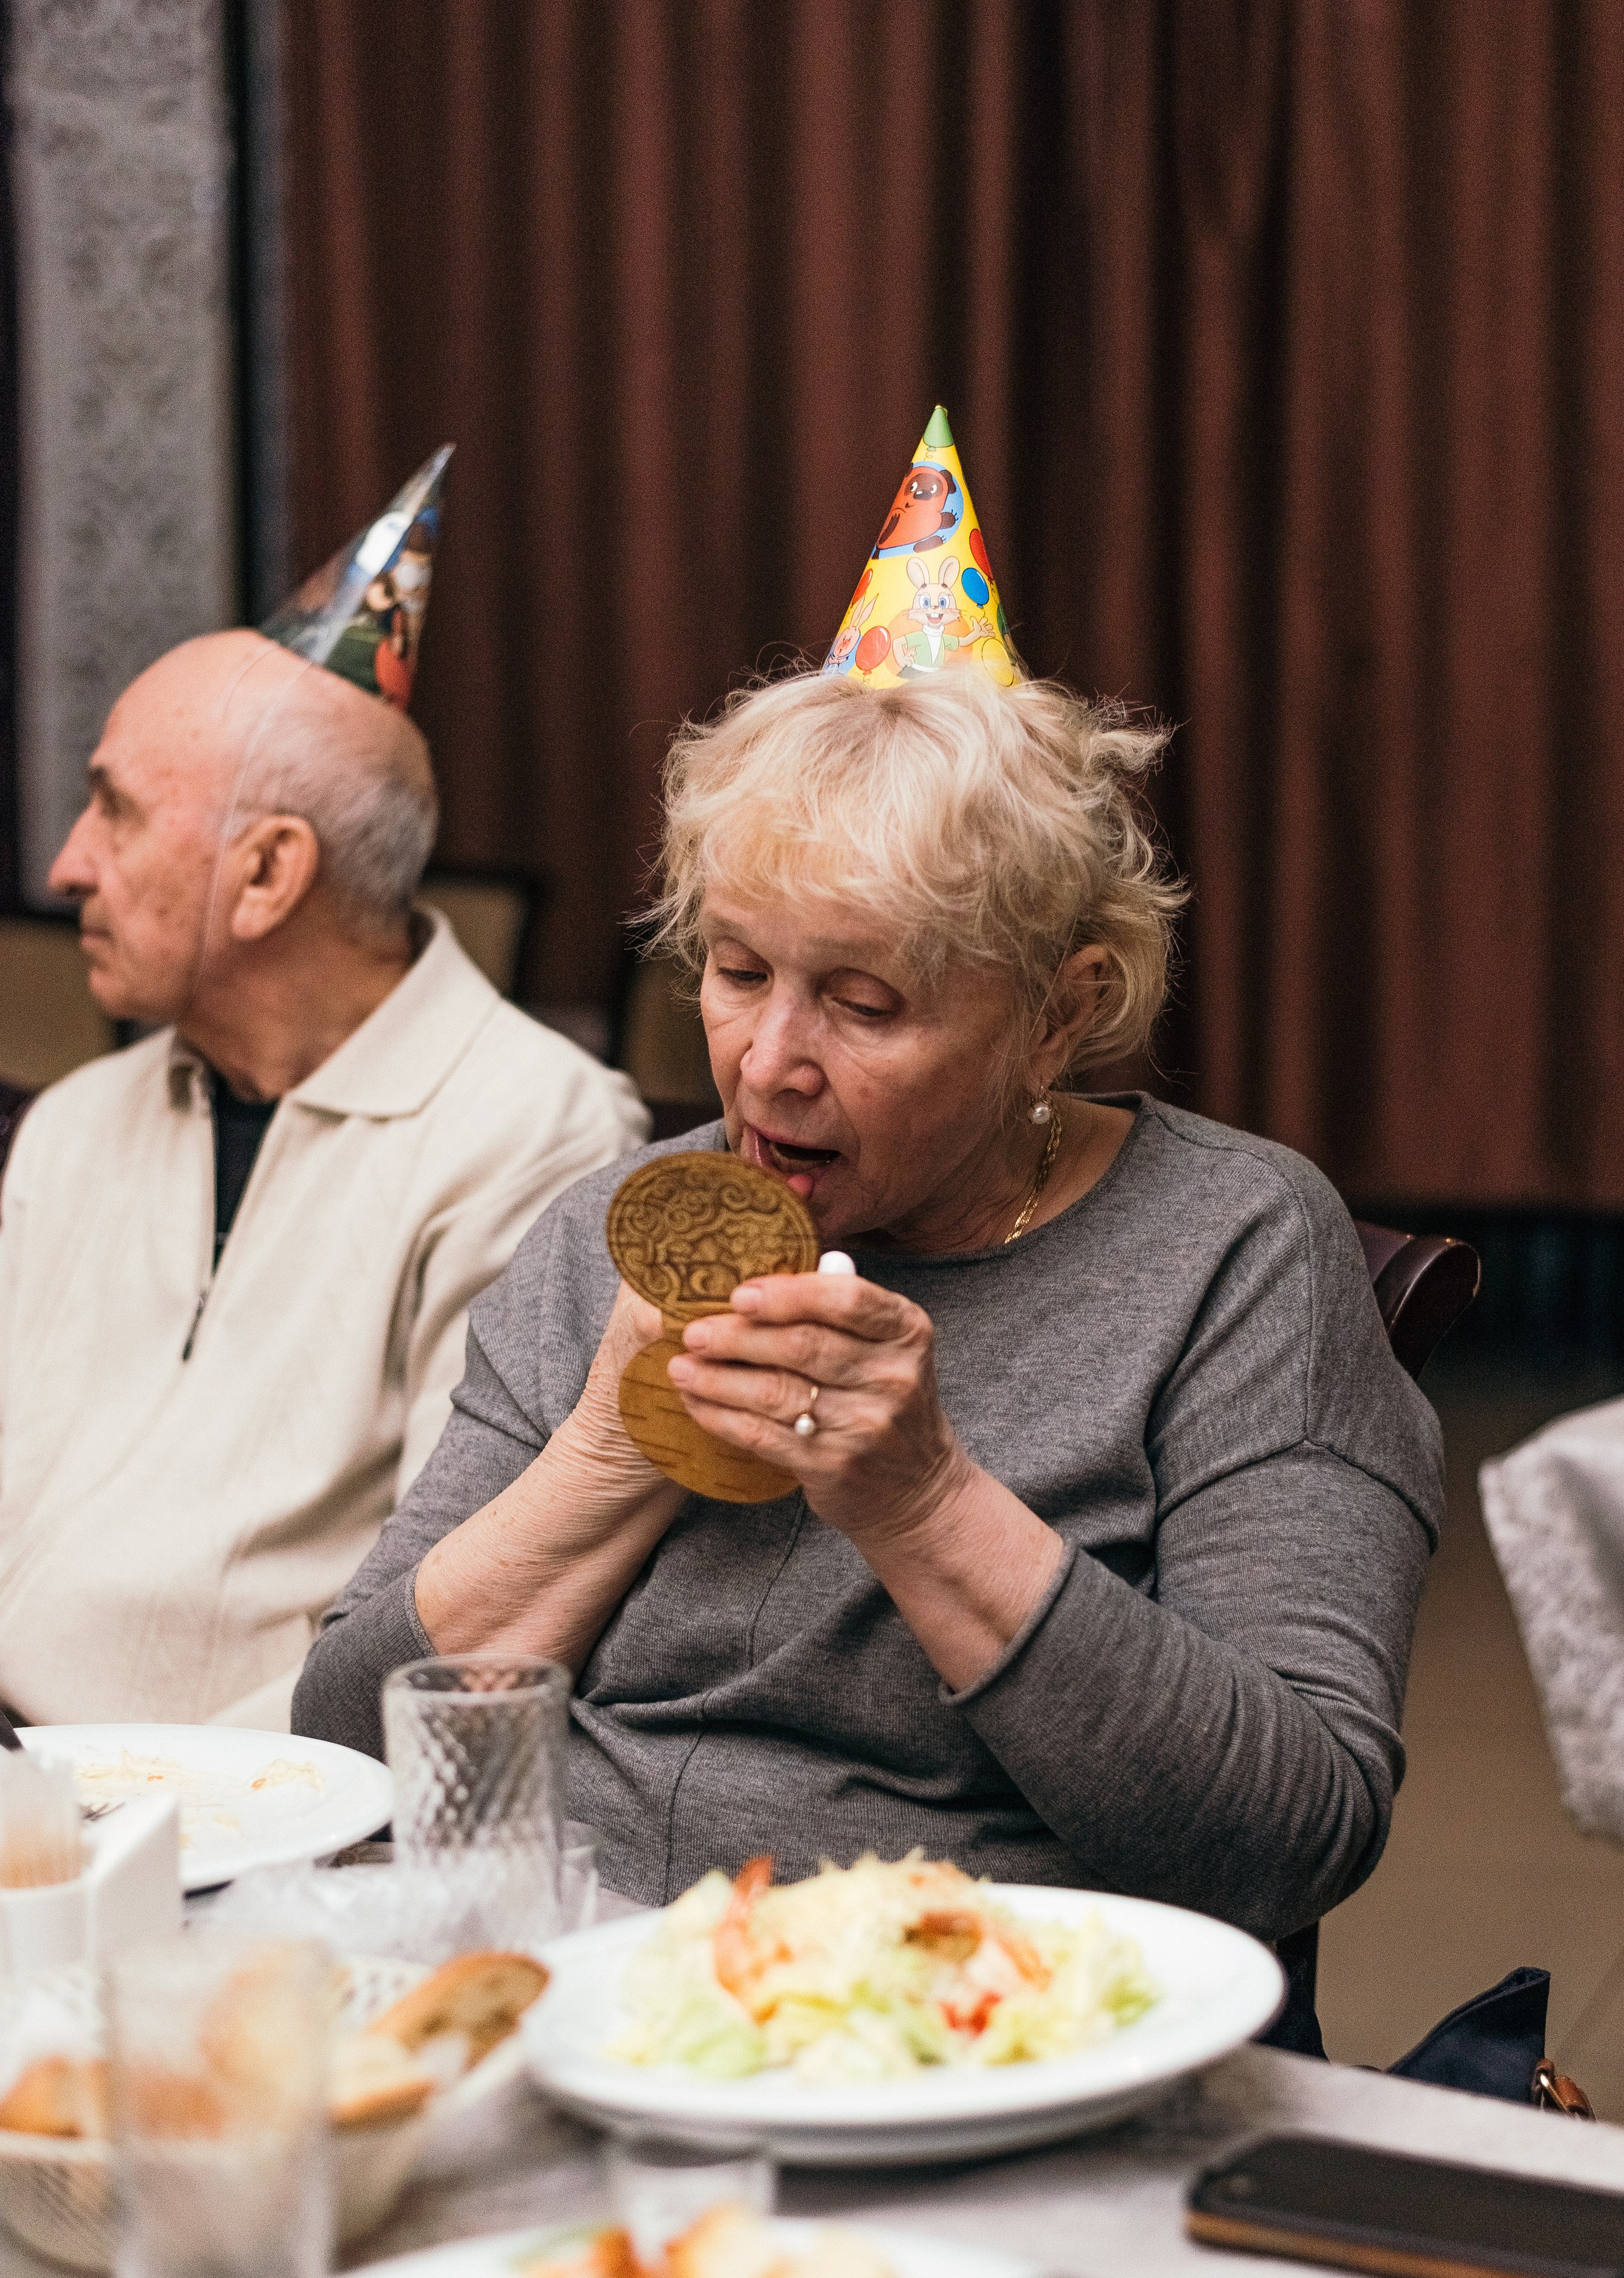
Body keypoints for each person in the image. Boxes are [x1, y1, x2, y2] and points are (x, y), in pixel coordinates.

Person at [294, 662, 1443, 1942]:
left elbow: (1286, 1841)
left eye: (863, 1004)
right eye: (736, 972)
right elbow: (346, 1746)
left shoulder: (1234, 1252)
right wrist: (614, 1445)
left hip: (973, 2007)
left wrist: (925, 1502)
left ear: (1056, 1017)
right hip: (578, 1976)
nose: (767, 1065)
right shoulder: (614, 1237)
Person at [0, 593, 645, 1729]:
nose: (66, 866)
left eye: (114, 811)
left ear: (267, 875)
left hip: (258, 1823)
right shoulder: (74, 1121)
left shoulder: (537, 1132)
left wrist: (139, 1810)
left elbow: (460, 1619)